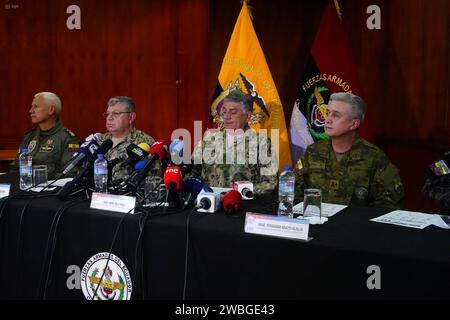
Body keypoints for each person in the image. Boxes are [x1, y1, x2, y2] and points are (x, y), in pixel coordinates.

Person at [294, 92, 404, 208]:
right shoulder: (313, 152)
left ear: (354, 124)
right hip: (317, 221)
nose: (327, 120)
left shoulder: (373, 157)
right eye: (327, 113)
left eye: (336, 115)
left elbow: (389, 204)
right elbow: (295, 192)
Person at [191, 90, 278, 194]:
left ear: (248, 116)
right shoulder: (209, 139)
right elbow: (192, 173)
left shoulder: (261, 144)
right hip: (207, 205)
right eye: (224, 112)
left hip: (242, 206)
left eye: (233, 112)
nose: (226, 117)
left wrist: (240, 193)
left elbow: (271, 184)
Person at [9, 92, 81, 179]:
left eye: (36, 106)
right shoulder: (29, 137)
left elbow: (70, 173)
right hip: (25, 187)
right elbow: (15, 167)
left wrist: (37, 177)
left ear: (51, 110)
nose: (31, 110)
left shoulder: (69, 139)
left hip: (50, 190)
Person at [102, 96, 161, 183]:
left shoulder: (144, 142)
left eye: (116, 113)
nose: (109, 118)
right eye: (108, 114)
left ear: (131, 117)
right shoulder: (100, 140)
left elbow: (154, 177)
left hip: (127, 195)